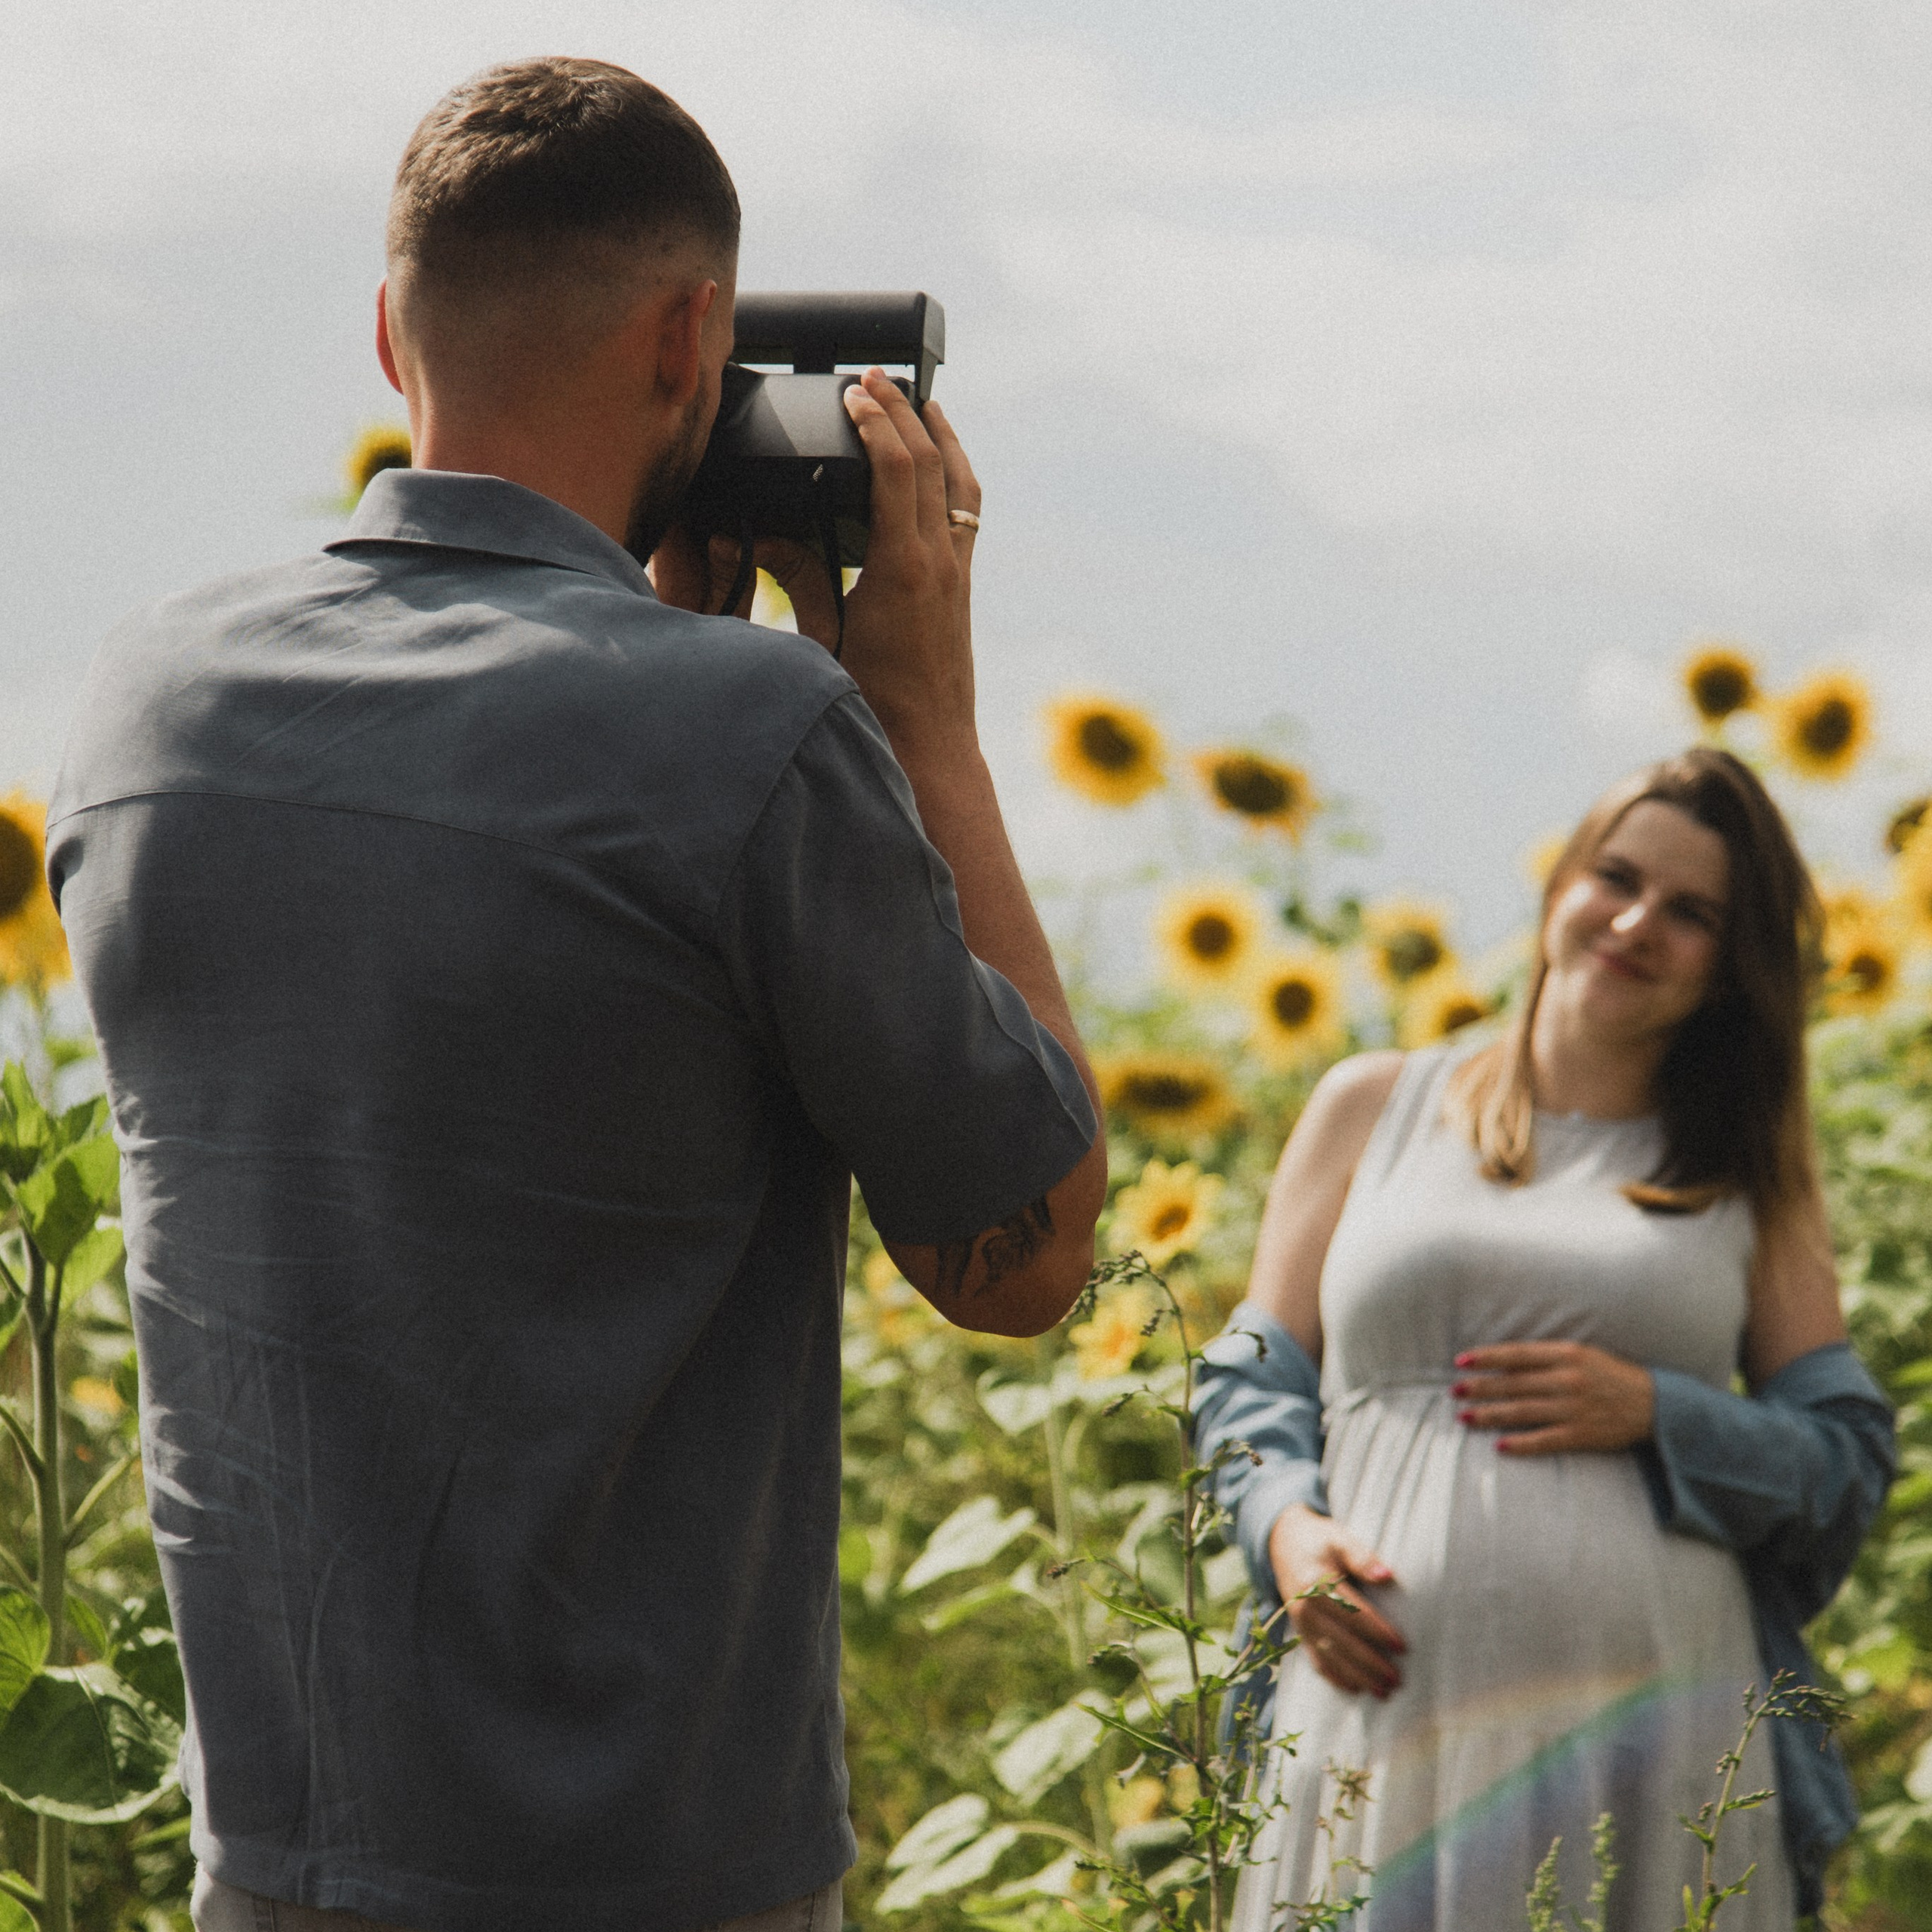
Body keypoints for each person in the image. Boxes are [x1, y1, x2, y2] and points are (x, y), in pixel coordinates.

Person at [46, 57, 1106, 1932]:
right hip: (652, 1874)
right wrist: (916, 717)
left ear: (390, 333)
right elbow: (1016, 1253)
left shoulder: (146, 711)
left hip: (278, 1859)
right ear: (694, 335)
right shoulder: (754, 740)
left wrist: (671, 654)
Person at [1193, 749, 1894, 1929]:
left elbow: (1844, 1461)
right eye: (1614, 877)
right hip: (1379, 1725)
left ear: (1732, 966)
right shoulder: (1372, 1104)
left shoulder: (1743, 1177)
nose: (1635, 923)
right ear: (1559, 882)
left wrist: (1663, 1412)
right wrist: (1287, 1532)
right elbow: (1247, 1387)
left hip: (1659, 1757)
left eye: (1693, 914)